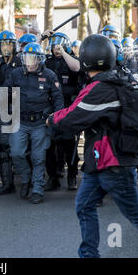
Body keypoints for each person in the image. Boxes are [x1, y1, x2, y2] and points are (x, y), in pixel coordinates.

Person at [47, 34, 138, 258]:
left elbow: (74, 115)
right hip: (101, 160)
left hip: (114, 163)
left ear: (86, 59)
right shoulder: (116, 78)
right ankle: (89, 254)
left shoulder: (101, 89)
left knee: (135, 212)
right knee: (84, 205)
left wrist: (52, 118)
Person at [5, 42, 64, 203]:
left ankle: (37, 189)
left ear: (40, 60)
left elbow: (58, 100)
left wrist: (55, 118)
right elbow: (5, 91)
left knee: (39, 158)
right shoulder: (16, 74)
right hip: (20, 121)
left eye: (32, 58)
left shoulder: (50, 75)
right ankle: (25, 178)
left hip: (40, 122)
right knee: (16, 153)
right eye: (26, 58)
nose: (29, 62)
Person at [44, 32, 84, 191]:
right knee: (50, 145)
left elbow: (78, 71)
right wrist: (41, 38)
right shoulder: (47, 62)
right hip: (51, 108)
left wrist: (65, 53)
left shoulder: (72, 61)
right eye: (53, 46)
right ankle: (53, 177)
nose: (56, 49)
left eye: (59, 46)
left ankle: (72, 175)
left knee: (69, 144)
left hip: (69, 107)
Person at [0, 30, 22, 195]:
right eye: (3, 44)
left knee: (21, 149)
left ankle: (28, 182)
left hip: (19, 110)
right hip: (0, 111)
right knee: (2, 148)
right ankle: (7, 184)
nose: (6, 47)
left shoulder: (22, 63)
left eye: (9, 44)